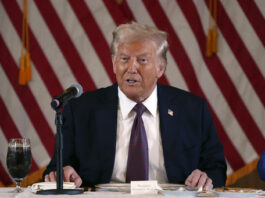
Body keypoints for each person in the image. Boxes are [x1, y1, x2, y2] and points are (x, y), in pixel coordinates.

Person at [43, 22, 227, 190]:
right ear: (114, 64)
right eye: (124, 59)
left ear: (160, 68)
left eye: (142, 60)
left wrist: (205, 178)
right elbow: (56, 170)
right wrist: (63, 174)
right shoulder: (82, 109)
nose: (131, 68)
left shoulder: (193, 109)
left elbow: (216, 169)